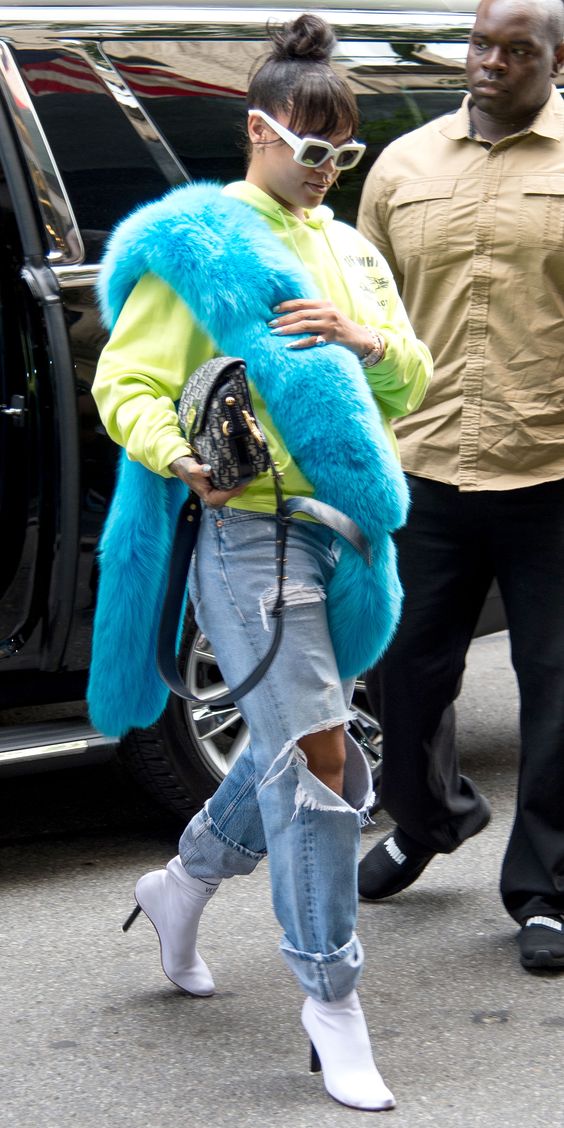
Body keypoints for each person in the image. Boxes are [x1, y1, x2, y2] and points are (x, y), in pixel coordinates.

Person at [89, 13, 432, 1112]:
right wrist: (177, 451)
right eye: (315, 148)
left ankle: (184, 882)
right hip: (246, 534)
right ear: (259, 130)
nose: (330, 170)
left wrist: (367, 343)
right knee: (324, 755)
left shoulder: (352, 251)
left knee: (294, 740)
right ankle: (331, 999)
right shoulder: (199, 244)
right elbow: (124, 382)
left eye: (347, 153)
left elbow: (410, 379)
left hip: (350, 539)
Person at [357, 0, 564, 973]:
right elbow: (366, 307)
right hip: (426, 462)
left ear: (555, 60)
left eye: (517, 50)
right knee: (401, 672)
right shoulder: (404, 166)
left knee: (556, 692)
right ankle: (430, 816)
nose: (491, 62)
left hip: (551, 467)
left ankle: (546, 890)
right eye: (482, 44)